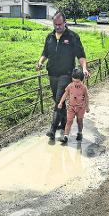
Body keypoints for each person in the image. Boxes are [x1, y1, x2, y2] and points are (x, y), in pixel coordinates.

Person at [36, 11, 89, 140]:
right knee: (57, 99)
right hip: (52, 73)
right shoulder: (50, 37)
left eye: (60, 24)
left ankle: (52, 129)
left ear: (65, 22)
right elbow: (45, 53)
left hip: (66, 74)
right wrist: (40, 62)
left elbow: (80, 55)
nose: (58, 27)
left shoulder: (72, 37)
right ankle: (64, 122)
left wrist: (84, 68)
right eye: (55, 24)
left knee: (59, 98)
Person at [57, 68, 90, 143]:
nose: (75, 83)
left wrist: (87, 106)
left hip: (81, 107)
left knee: (79, 121)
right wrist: (61, 102)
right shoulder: (70, 86)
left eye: (77, 82)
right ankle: (65, 136)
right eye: (74, 81)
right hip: (71, 107)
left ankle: (80, 133)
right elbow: (65, 94)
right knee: (69, 121)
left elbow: (87, 97)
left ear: (82, 80)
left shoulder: (84, 88)